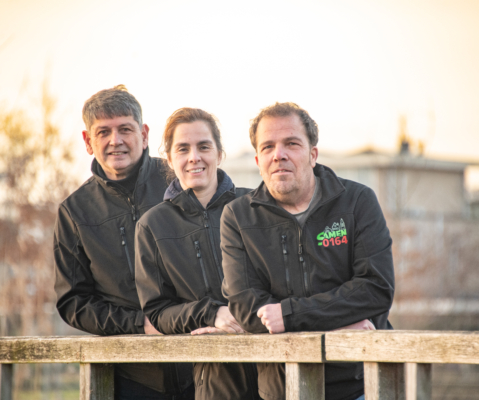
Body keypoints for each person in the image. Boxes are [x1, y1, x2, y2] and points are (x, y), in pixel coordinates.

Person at [220, 102, 394, 400]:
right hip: (283, 388)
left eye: (291, 143)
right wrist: (330, 334)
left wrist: (289, 315)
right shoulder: (237, 217)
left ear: (313, 154)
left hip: (360, 384)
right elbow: (248, 309)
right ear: (258, 160)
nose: (279, 154)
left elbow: (375, 289)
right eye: (268, 147)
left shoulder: (357, 202)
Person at [53, 85, 194, 400]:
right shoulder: (74, 211)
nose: (115, 140)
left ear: (144, 134)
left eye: (125, 129)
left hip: (203, 367)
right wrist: (140, 323)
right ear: (88, 141)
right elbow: (73, 301)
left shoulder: (182, 181)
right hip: (130, 376)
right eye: (103, 132)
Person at [134, 108, 260, 400]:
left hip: (277, 366)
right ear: (169, 158)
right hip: (216, 378)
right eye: (183, 149)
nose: (194, 157)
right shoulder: (152, 225)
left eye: (204, 146)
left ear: (219, 153)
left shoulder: (254, 205)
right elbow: (157, 311)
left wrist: (247, 315)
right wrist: (213, 314)